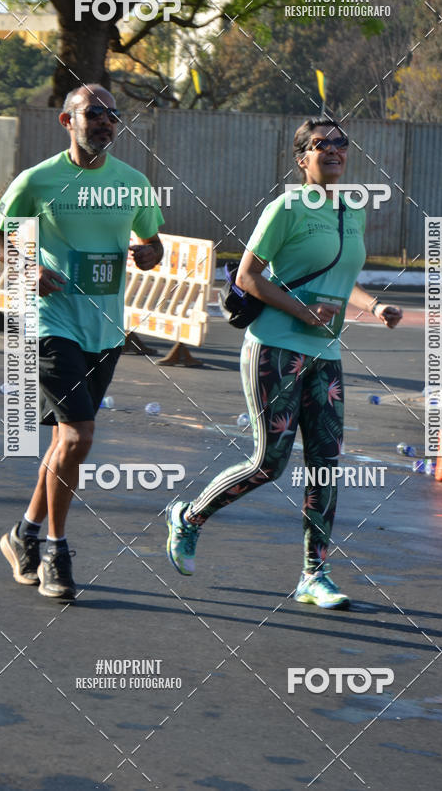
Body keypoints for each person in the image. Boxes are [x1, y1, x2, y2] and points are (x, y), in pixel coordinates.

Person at [165, 117, 402, 608]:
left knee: (325, 466)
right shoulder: (287, 207)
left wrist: (373, 306)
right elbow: (249, 277)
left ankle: (314, 575)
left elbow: (341, 277)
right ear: (302, 159)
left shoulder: (350, 209)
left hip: (326, 354)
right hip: (275, 347)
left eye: (341, 143)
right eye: (322, 144)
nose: (334, 150)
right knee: (269, 462)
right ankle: (189, 517)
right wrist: (303, 311)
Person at [0, 84, 164, 600]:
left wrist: (151, 256)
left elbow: (154, 244)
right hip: (51, 322)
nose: (105, 122)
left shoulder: (132, 183)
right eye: (94, 114)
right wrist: (25, 266)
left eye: (112, 115)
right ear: (67, 122)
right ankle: (55, 555)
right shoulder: (39, 180)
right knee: (79, 437)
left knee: (66, 441)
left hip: (105, 330)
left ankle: (23, 534)